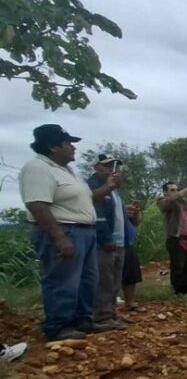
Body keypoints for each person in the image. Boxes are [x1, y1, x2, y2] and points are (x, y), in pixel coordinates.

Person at [20, 125, 117, 341]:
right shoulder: (38, 168)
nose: (73, 148)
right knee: (63, 281)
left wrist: (108, 188)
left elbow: (89, 199)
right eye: (68, 143)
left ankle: (83, 320)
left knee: (87, 280)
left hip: (85, 231)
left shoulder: (68, 171)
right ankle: (59, 326)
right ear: (53, 146)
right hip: (64, 230)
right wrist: (60, 238)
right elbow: (37, 205)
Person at [86, 154, 130, 330]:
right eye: (108, 166)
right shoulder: (94, 186)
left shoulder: (113, 189)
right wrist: (106, 238)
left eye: (115, 166)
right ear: (97, 167)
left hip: (119, 242)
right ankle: (102, 317)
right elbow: (98, 215)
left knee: (114, 281)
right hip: (105, 242)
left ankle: (111, 313)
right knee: (104, 280)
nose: (113, 169)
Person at [156, 180, 187, 295]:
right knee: (178, 267)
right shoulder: (162, 201)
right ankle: (178, 291)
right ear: (165, 192)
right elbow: (171, 200)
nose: (175, 192)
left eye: (177, 189)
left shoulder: (184, 203)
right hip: (175, 239)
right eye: (172, 190)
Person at [121, 199, 145, 313]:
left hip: (128, 242)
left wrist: (135, 213)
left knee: (131, 274)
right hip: (115, 243)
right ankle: (106, 309)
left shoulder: (119, 201)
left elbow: (135, 223)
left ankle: (129, 302)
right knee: (112, 276)